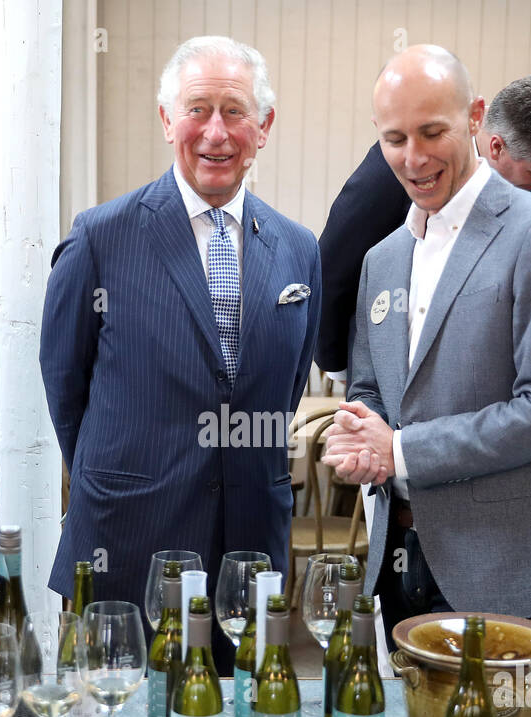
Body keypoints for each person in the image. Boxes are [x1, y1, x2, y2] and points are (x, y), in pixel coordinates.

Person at [40, 36, 321, 674]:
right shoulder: (101, 238)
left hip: (249, 548)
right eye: (198, 109)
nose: (216, 132)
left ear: (264, 126)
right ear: (167, 120)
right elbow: (64, 383)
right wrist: (116, 472)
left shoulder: (299, 249)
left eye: (235, 111)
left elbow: (285, 386)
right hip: (129, 540)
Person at [323, 46, 531, 641]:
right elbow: (371, 385)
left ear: (476, 118)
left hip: (499, 564)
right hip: (397, 559)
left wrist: (399, 449)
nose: (414, 158)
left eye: (432, 132)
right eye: (395, 139)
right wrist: (360, 435)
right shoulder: (383, 258)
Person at [315, 72, 531, 374]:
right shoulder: (407, 161)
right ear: (496, 147)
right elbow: (334, 263)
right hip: (397, 362)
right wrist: (336, 362)